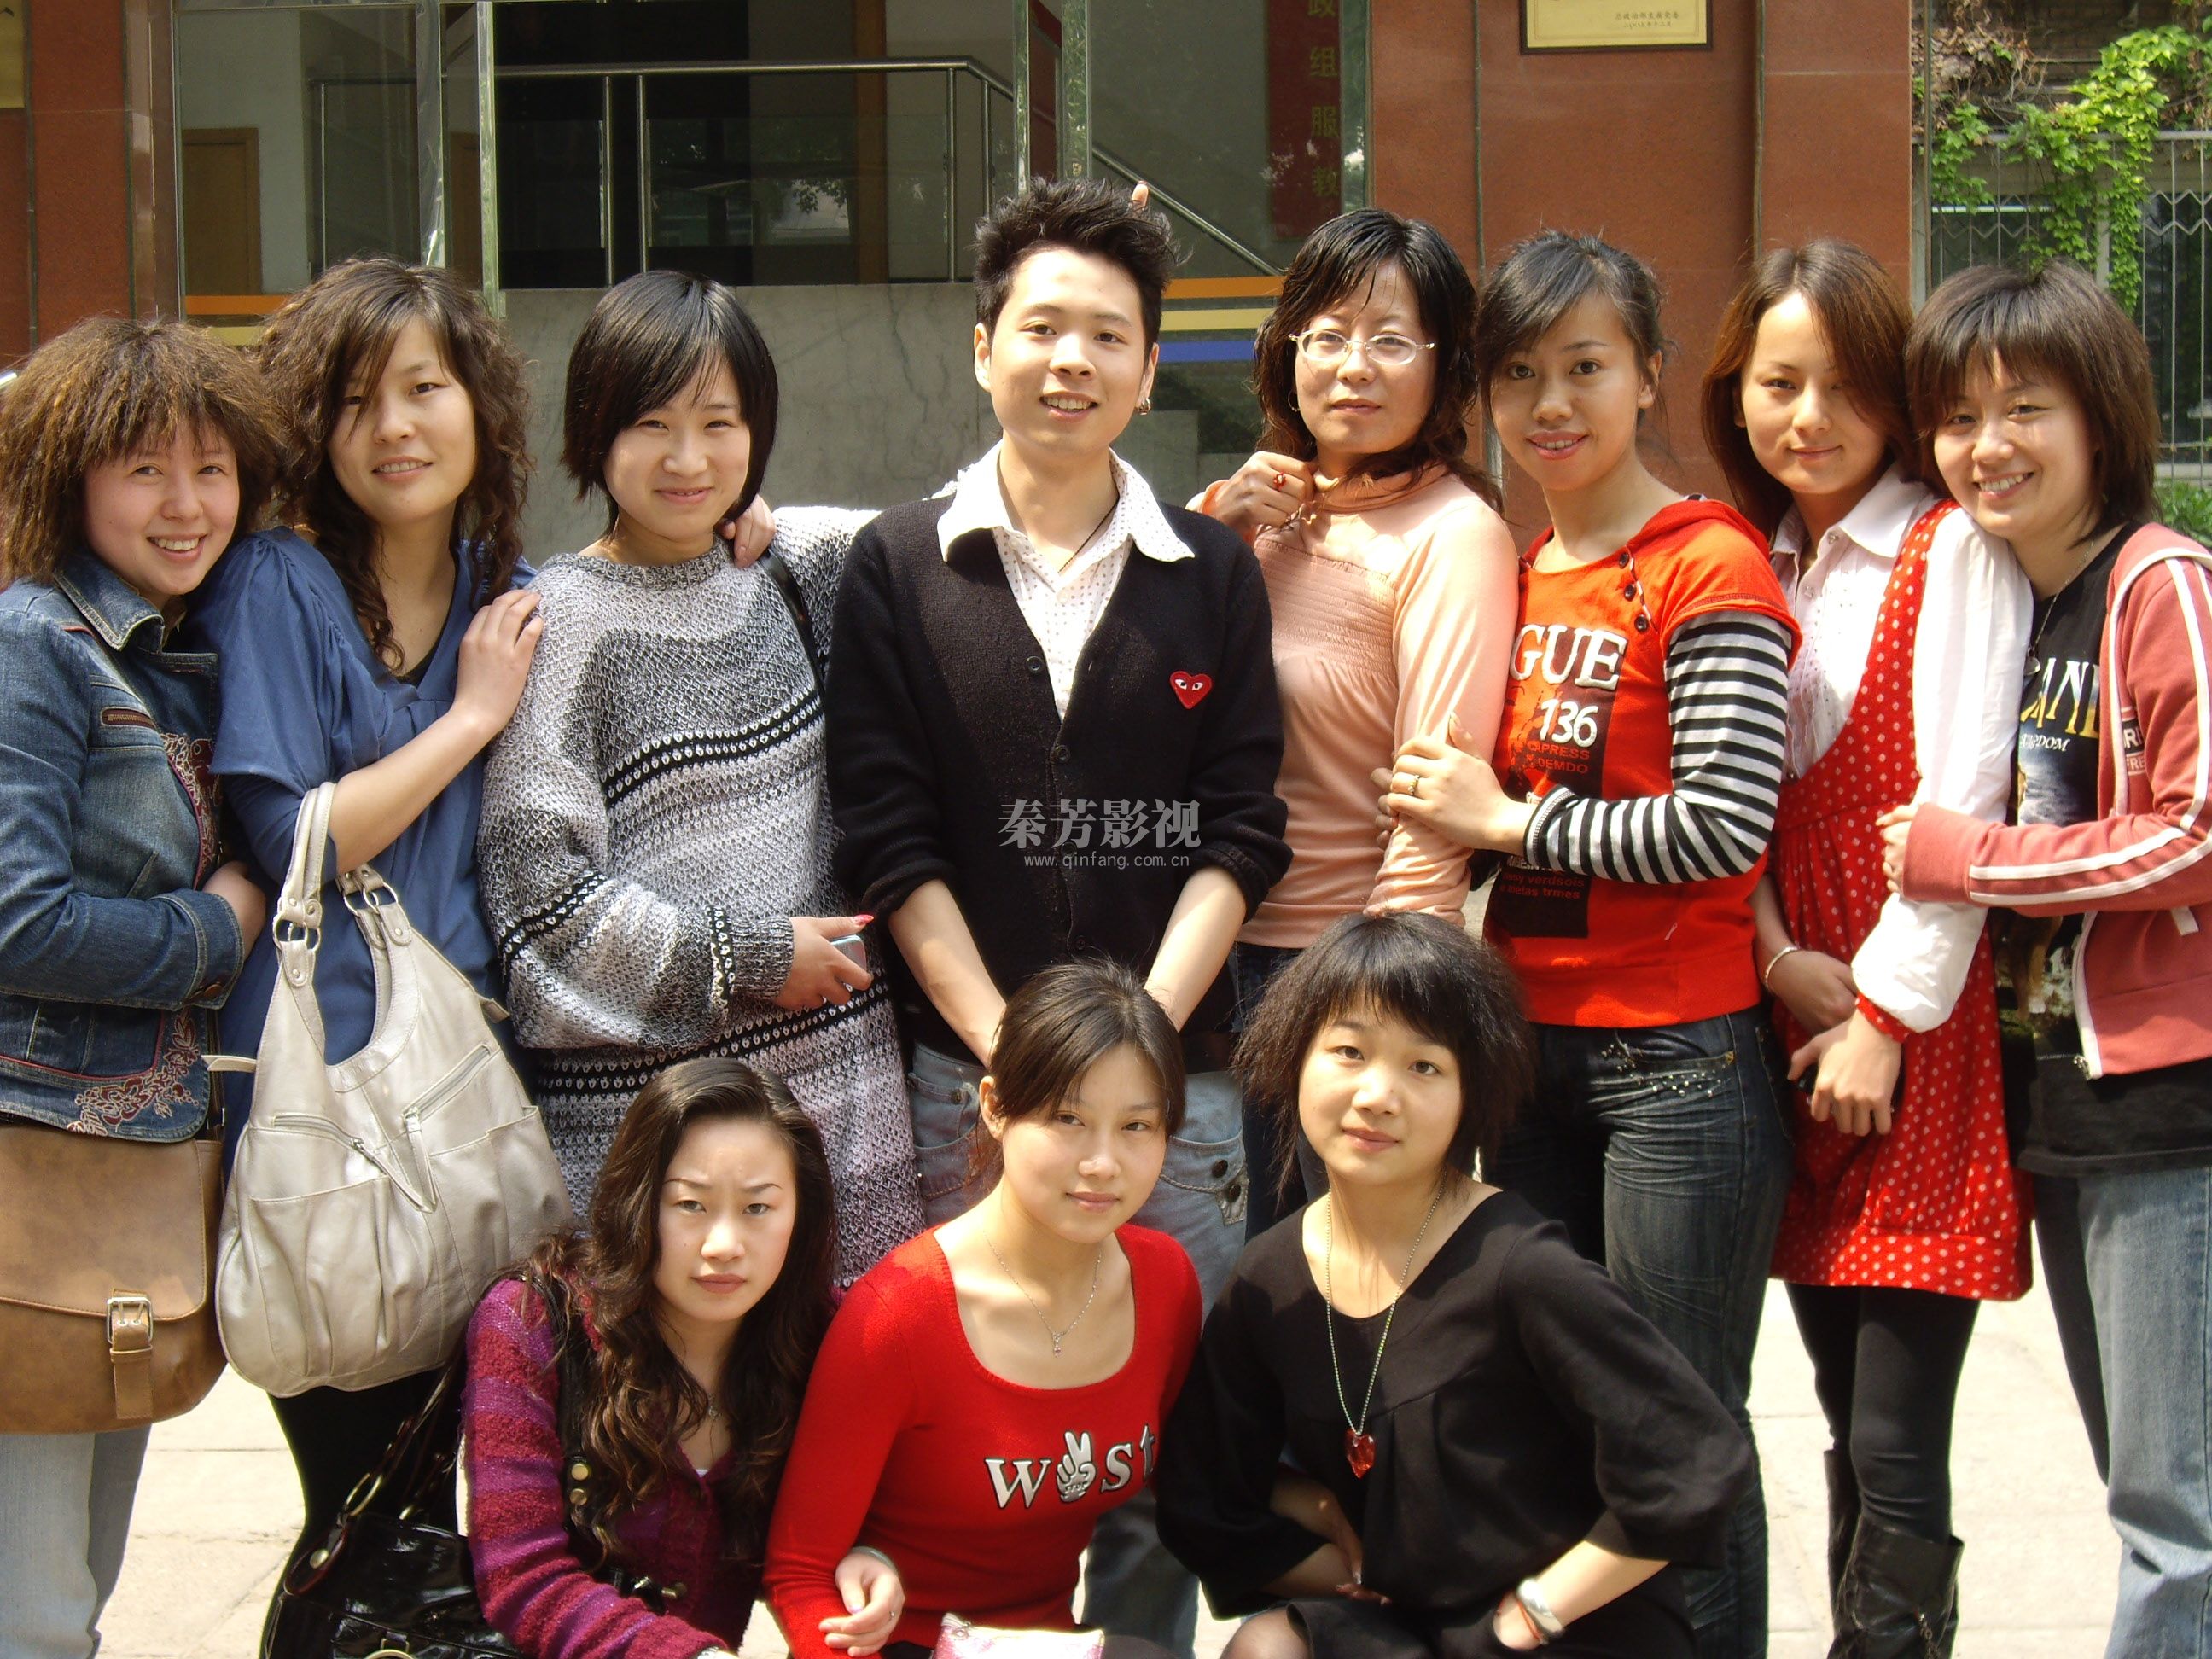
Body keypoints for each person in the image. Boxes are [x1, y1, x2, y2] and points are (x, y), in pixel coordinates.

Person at [825, 177, 1289, 1653]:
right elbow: (889, 838)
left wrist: (1137, 1039)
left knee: (1161, 1441)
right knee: (957, 1423)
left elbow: (1241, 829)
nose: (1069, 360)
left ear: (1150, 369)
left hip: (1174, 1096)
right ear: (983, 348)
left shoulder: (1211, 573)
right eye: (1039, 328)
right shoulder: (898, 564)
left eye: (1107, 334)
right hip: (964, 1084)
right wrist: (1011, 1054)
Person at [1376, 230, 1796, 1659]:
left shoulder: (1709, 565)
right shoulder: (1525, 568)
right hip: (1531, 1054)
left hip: (1678, 1064)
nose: (1549, 403)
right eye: (1517, 374)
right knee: (1566, 1416)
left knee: (1683, 1423)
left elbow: (1724, 827)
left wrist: (1508, 820)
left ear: (1649, 376)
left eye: (1585, 367)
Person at [182, 257, 544, 1566]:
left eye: (423, 389)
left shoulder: (507, 582)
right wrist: (471, 718)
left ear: (477, 406)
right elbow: (294, 839)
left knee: (433, 1507)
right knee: (357, 1500)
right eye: (352, 400)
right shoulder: (277, 581)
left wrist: (756, 531)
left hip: (475, 1089)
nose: (394, 427)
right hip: (323, 1092)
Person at [1704, 241, 2032, 1654]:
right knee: (1842, 1411)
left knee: (1896, 1432)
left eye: (1844, 386)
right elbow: (1735, 817)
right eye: (1779, 383)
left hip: (1912, 1031)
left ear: (1896, 399)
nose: (1809, 417)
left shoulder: (1946, 547)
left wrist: (1880, 1021)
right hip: (1785, 1018)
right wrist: (1778, 960)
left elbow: (1965, 799)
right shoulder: (1751, 556)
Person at [1881, 259, 2212, 1659]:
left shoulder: (2159, 582)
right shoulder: (2012, 600)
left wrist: (1966, 857)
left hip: (2169, 1101)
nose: (1987, 444)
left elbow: (2196, 829)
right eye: (1959, 416)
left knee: (2176, 1510)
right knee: (2144, 1487)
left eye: (2026, 408)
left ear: (2101, 416)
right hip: (2064, 1095)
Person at [475, 268, 922, 1285]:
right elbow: (540, 911)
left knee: (844, 1372)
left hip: (843, 1121)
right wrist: (752, 957)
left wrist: (1199, 517)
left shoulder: (797, 567)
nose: (688, 460)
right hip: (661, 1146)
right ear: (595, 432)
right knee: (677, 1384)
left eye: (719, 424)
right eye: (652, 425)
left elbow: (984, 534)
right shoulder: (562, 625)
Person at [1155, 911, 1755, 1659]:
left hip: (1562, 1627)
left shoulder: (1523, 1266)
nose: (1378, 1095)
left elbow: (1694, 1459)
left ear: (1473, 1093)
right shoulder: (1270, 1279)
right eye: (1349, 1051)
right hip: (1405, 1622)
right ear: (1294, 1059)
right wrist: (1324, 1533)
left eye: (1425, 1067)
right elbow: (1202, 1487)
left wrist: (1533, 1615)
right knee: (1268, 1647)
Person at [0, 317, 280, 1659]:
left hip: (125, 1164)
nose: (187, 505)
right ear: (71, 478)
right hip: (33, 1156)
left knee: (78, 1585)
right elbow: (18, 922)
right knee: (37, 1607)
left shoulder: (164, 648)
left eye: (212, 469)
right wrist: (217, 928)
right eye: (146, 470)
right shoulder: (33, 643)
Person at [1196, 207, 1516, 1233]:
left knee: (1341, 1281)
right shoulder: (1245, 515)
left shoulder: (1453, 536)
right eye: (1328, 335)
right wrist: (1209, 540)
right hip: (1200, 956)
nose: (1353, 367)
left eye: (1391, 341)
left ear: (1444, 364)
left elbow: (1434, 807)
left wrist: (1369, 1018)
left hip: (1330, 968)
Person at [760, 960, 1204, 1659]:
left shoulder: (1165, 1282)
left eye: (1137, 1126)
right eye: (1068, 1119)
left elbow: (1199, 1485)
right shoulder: (899, 1314)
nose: (1102, 1162)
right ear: (994, 1107)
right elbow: (799, 1573)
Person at [465, 1057, 903, 1659]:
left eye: (758, 1208)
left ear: (801, 1215)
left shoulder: (825, 1336)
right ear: (637, 1202)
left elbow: (886, 1504)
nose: (723, 1245)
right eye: (691, 1205)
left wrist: (873, 1554)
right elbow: (521, 1576)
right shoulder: (531, 1322)